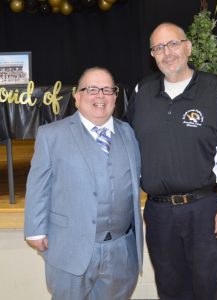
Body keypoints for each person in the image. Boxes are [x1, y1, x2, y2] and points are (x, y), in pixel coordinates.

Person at [126, 22, 217, 300]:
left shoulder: (215, 89)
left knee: (208, 288)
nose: (167, 52)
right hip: (158, 213)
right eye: (158, 47)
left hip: (204, 210)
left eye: (173, 44)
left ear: (188, 47)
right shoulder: (142, 91)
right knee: (170, 290)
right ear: (152, 55)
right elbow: (126, 142)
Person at [24, 67, 143, 300]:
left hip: (120, 250)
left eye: (108, 90)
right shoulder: (51, 135)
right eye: (92, 89)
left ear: (115, 98)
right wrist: (34, 229)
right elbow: (38, 185)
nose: (100, 96)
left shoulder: (128, 132)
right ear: (77, 98)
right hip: (70, 248)